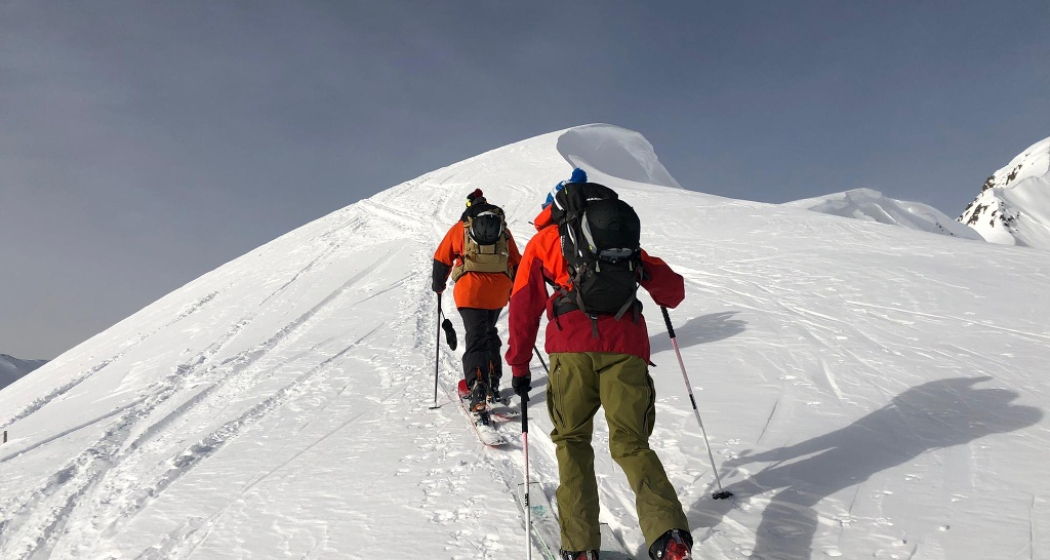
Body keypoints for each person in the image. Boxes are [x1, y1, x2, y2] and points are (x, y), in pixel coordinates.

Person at [505, 169, 694, 560]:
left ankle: (580, 549)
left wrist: (520, 365)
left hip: (571, 350)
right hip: (627, 348)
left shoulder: (544, 242)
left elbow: (524, 307)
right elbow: (673, 292)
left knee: (573, 443)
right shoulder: (621, 244)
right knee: (632, 443)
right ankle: (669, 537)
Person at [433, 188, 522, 411]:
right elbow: (516, 261)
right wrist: (515, 290)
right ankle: (492, 381)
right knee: (489, 332)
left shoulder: (461, 228)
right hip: (498, 292)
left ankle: (476, 387)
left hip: (470, 291)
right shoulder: (503, 231)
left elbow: (442, 257)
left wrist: (439, 286)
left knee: (476, 337)